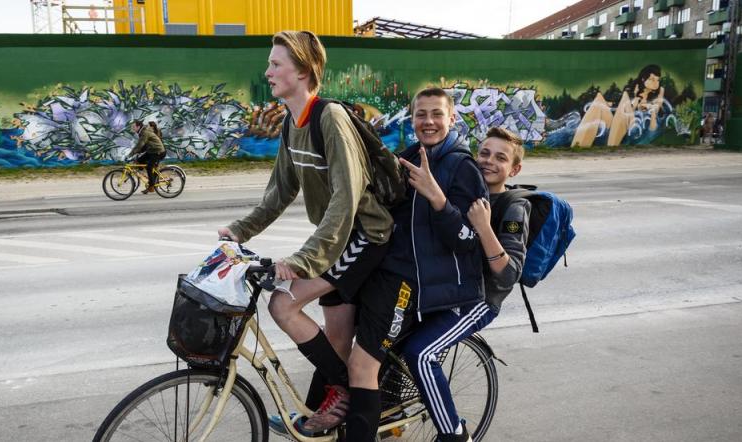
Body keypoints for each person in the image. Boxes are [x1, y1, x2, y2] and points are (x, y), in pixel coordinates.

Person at [217, 30, 393, 435]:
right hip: (336, 238)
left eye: (276, 64)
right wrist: (238, 231)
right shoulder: (292, 124)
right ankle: (330, 408)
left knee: (282, 305)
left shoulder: (329, 118)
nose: (268, 71)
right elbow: (279, 192)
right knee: (336, 338)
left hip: (364, 235)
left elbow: (346, 200)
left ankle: (345, 392)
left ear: (303, 70)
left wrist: (302, 261)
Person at [342, 87, 489, 440]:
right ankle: (391, 422)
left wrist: (436, 197)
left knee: (394, 356)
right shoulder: (406, 158)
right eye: (421, 114)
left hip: (435, 288)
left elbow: (469, 240)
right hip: (401, 278)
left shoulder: (462, 167)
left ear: (452, 119)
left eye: (437, 114)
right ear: (412, 120)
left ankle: (453, 435)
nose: (429, 121)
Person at [396, 126, 531, 442]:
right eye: (484, 153)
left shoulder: (513, 206)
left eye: (500, 158)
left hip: (478, 300)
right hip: (446, 289)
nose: (488, 161)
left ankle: (454, 433)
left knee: (422, 354)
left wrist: (484, 227)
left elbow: (508, 273)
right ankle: (393, 413)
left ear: (514, 169)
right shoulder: (466, 188)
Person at [128, 119, 166, 194]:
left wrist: (131, 154)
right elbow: (145, 145)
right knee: (139, 161)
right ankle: (150, 175)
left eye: (133, 127)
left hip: (158, 152)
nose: (132, 128)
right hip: (152, 151)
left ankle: (151, 185)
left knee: (149, 167)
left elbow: (140, 144)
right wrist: (138, 152)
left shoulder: (144, 132)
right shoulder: (142, 132)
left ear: (138, 126)